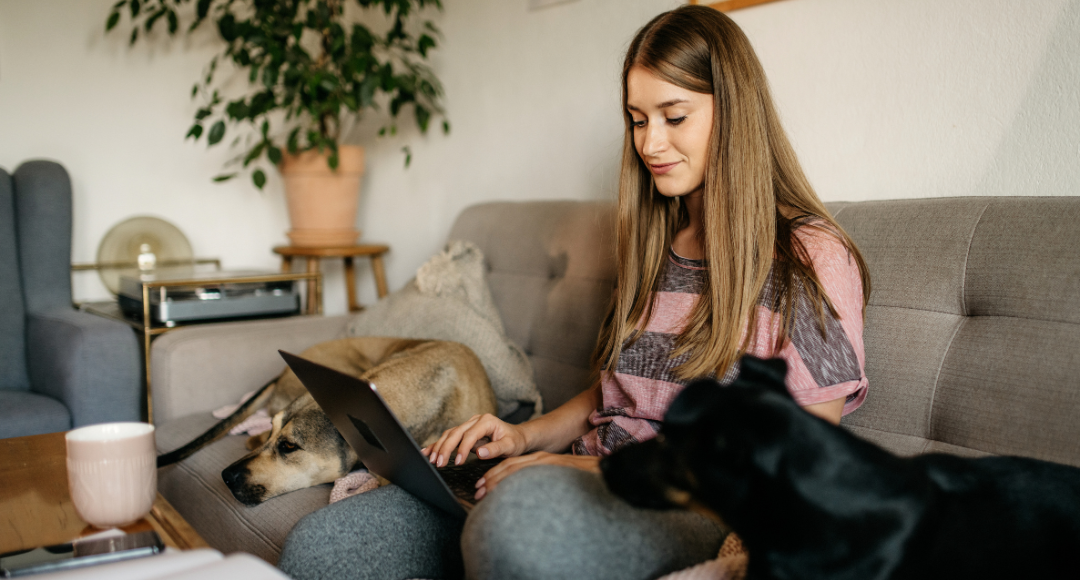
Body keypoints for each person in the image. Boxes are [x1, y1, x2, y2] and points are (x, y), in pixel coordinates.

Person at [278, 5, 871, 580]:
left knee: (515, 526)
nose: (651, 144)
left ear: (736, 112)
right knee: (322, 549)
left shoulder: (810, 256)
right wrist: (521, 436)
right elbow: (613, 398)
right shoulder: (657, 240)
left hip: (687, 505)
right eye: (638, 120)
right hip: (579, 475)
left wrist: (581, 470)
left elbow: (801, 458)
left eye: (674, 116)